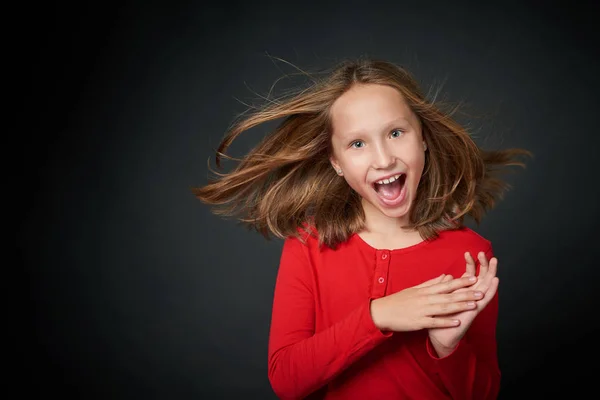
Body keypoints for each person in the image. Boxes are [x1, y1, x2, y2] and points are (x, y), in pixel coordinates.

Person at [193, 57, 530, 399]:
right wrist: (378, 315)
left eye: (396, 133)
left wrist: (448, 347)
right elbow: (286, 379)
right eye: (358, 144)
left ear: (424, 139)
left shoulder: (469, 255)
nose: (383, 159)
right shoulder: (309, 244)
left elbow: (484, 394)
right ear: (336, 162)